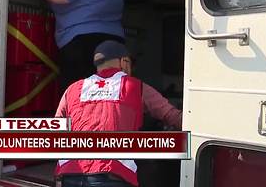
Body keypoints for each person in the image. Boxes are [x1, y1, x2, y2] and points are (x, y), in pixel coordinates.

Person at [54, 40, 182, 187]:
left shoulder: (73, 89)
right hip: (110, 174)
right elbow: (172, 116)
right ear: (124, 62)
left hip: (70, 174)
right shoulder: (134, 86)